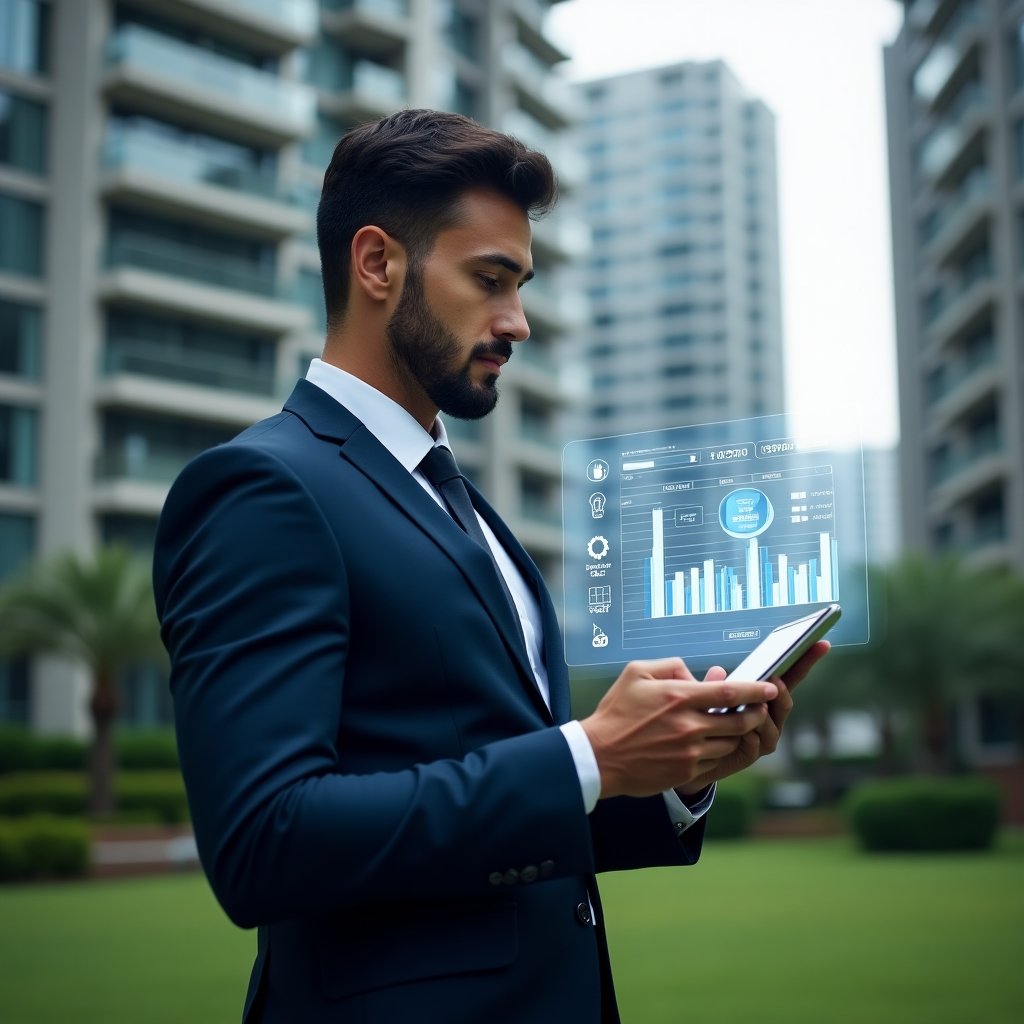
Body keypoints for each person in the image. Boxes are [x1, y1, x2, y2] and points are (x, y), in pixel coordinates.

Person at [152, 109, 827, 1024]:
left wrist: (666, 775)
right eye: (490, 279)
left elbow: (509, 801)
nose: (518, 321)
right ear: (378, 263)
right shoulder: (262, 488)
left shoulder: (469, 508)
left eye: (523, 283)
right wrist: (587, 752)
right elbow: (264, 842)